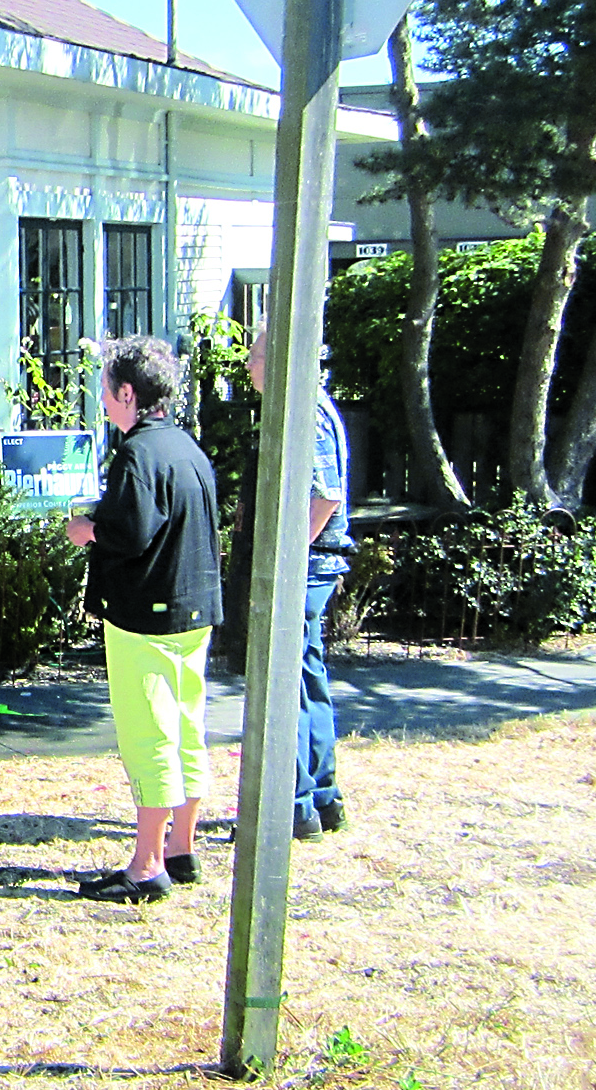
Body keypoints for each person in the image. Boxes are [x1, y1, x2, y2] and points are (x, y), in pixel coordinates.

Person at [66, 335, 222, 904]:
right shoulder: (186, 447)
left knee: (149, 737)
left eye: (108, 392)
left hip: (145, 617)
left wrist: (87, 530)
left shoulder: (137, 453)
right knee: (186, 730)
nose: (104, 402)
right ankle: (181, 847)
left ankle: (146, 864)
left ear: (128, 393)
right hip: (194, 611)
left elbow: (129, 532)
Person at [246, 326, 354, 841]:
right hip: (315, 568)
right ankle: (324, 798)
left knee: (282, 682)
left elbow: (325, 495)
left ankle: (295, 803)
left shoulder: (303, 411)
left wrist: (288, 560)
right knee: (308, 678)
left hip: (306, 571)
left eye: (257, 356)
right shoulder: (311, 406)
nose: (249, 366)